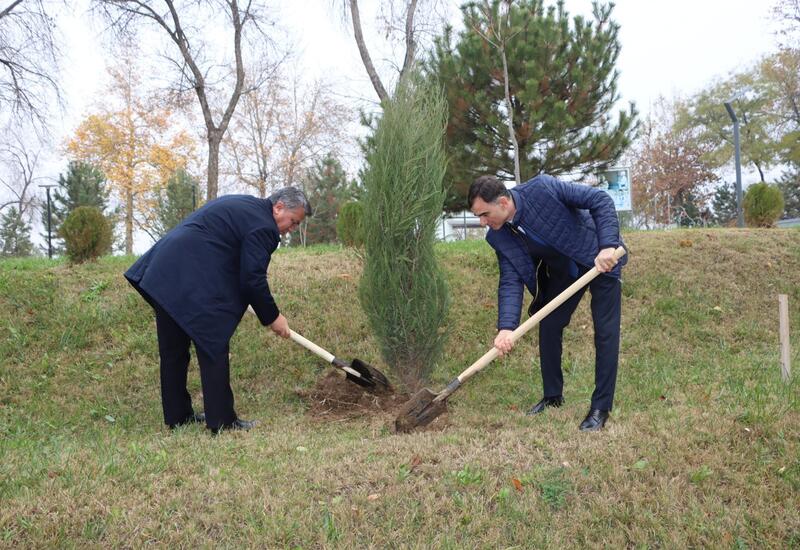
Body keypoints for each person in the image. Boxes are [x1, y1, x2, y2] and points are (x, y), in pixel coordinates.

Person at [124, 187, 312, 433]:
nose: (292, 229)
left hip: (163, 271)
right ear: (278, 208)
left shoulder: (246, 205)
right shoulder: (264, 227)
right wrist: (273, 317)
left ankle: (178, 416)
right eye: (293, 221)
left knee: (174, 350)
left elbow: (230, 257)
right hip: (186, 276)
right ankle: (222, 421)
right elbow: (252, 278)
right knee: (213, 344)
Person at [468, 174, 627, 431]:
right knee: (549, 324)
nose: (482, 222)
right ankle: (553, 396)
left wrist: (608, 246)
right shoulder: (499, 236)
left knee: (605, 333)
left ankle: (600, 407)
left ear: (503, 203)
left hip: (600, 259)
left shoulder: (542, 189)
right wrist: (506, 327)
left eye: (484, 214)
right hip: (565, 273)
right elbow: (510, 281)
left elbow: (600, 199)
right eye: (478, 216)